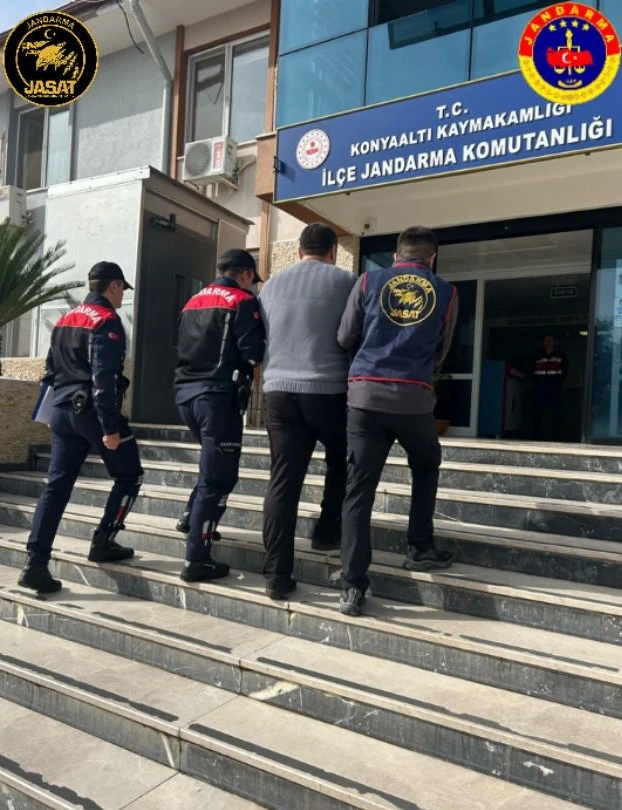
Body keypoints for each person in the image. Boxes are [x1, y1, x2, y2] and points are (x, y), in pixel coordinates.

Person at [337, 226, 459, 616]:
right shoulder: (446, 292)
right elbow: (442, 350)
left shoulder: (368, 281)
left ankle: (353, 585)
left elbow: (345, 336)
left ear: (396, 256)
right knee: (426, 463)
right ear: (432, 258)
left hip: (365, 396)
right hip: (413, 399)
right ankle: (420, 548)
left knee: (359, 489)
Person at [18, 261, 142, 594]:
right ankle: (104, 540)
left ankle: (35, 564)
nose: (122, 297)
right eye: (122, 289)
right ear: (113, 286)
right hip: (91, 412)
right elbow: (103, 378)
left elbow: (49, 370)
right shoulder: (107, 320)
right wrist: (110, 426)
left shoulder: (66, 319)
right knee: (130, 474)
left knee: (56, 487)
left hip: (61, 410)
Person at [258, 223, 357, 600]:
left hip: (278, 390)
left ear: (299, 251)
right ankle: (326, 531)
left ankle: (276, 574)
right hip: (329, 389)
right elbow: (353, 334)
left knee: (283, 479)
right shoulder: (347, 282)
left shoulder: (271, 286)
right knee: (341, 459)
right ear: (333, 251)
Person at [174, 248, 265, 583]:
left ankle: (191, 517)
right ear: (245, 274)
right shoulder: (242, 301)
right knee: (220, 478)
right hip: (217, 399)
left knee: (212, 466)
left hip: (185, 396)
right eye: (252, 280)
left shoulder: (192, 301)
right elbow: (253, 354)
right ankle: (197, 558)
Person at [532, 335, 568, 441]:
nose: (548, 342)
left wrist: (558, 381)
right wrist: (536, 382)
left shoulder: (560, 354)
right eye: (546, 340)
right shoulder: (537, 355)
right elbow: (531, 369)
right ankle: (536, 437)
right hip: (540, 388)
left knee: (555, 413)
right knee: (538, 412)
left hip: (555, 388)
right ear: (543, 342)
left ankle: (555, 438)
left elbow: (565, 370)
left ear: (554, 342)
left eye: (550, 340)